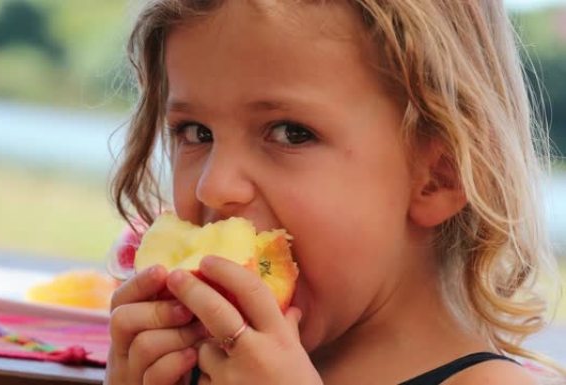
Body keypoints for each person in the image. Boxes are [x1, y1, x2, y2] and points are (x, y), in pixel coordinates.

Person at [105, 1, 564, 384]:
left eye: (290, 133)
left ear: (439, 177)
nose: (215, 186)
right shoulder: (199, 368)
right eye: (196, 132)